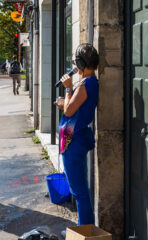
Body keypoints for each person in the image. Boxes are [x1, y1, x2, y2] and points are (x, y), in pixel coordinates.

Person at [57, 43, 99, 225]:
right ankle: (85, 229)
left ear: (82, 64)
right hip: (76, 139)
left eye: (76, 61)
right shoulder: (89, 82)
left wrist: (67, 88)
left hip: (73, 142)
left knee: (78, 190)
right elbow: (73, 107)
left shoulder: (86, 83)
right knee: (81, 188)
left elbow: (68, 111)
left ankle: (85, 231)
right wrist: (66, 101)